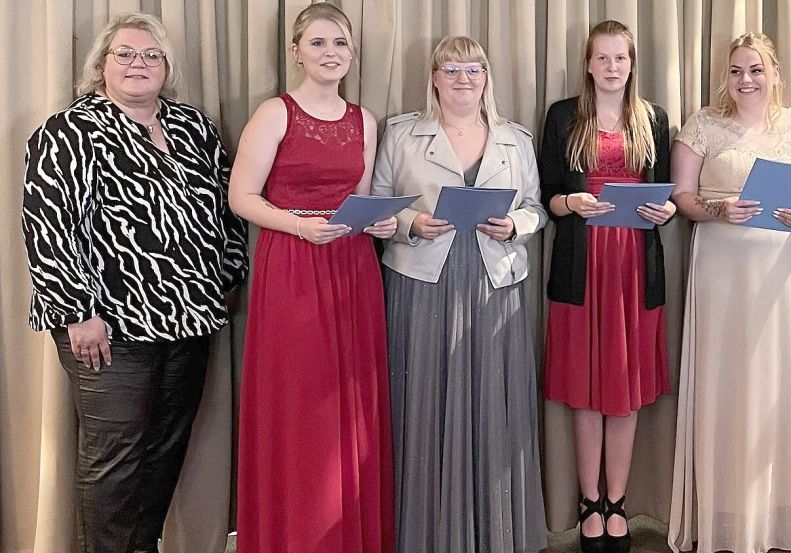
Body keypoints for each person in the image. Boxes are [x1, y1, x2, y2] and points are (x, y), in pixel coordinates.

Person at [21, 12, 248, 553]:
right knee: (113, 460)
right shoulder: (69, 130)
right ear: (101, 66)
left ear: (166, 68)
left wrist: (227, 273)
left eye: (150, 55)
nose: (137, 64)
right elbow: (47, 224)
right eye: (124, 53)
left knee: (165, 451)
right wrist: (76, 311)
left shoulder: (194, 127)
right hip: (108, 327)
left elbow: (227, 206)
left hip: (190, 319)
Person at [371, 35, 547, 553]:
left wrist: (515, 223)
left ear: (486, 78)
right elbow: (378, 204)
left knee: (493, 403)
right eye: (451, 70)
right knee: (423, 403)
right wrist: (411, 224)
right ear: (434, 77)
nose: (462, 80)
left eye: (473, 70)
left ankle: (493, 532)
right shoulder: (402, 134)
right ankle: (424, 534)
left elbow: (535, 205)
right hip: (423, 282)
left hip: (496, 284)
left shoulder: (515, 138)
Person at [229, 4, 395, 552]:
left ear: (352, 54)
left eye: (340, 44)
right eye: (319, 43)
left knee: (350, 409)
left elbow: (360, 200)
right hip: (294, 271)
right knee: (303, 407)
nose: (331, 54)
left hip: (353, 271)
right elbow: (242, 198)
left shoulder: (364, 120)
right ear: (296, 50)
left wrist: (382, 220)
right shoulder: (275, 113)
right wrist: (301, 228)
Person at [667, 32, 791, 553]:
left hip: (785, 269)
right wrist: (720, 208)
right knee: (728, 381)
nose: (746, 79)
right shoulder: (702, 125)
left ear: (775, 73)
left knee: (782, 384)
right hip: (723, 268)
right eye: (738, 70)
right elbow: (682, 196)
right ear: (727, 75)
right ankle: (726, 516)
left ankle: (784, 514)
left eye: (756, 70)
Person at [539, 20, 673, 553]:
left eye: (621, 58)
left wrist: (661, 210)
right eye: (602, 58)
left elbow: (666, 195)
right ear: (588, 64)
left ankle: (617, 501)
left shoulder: (654, 119)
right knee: (585, 391)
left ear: (631, 64)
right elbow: (548, 195)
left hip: (635, 268)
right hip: (581, 265)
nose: (612, 67)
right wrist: (570, 203)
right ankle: (588, 501)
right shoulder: (562, 116)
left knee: (625, 393)